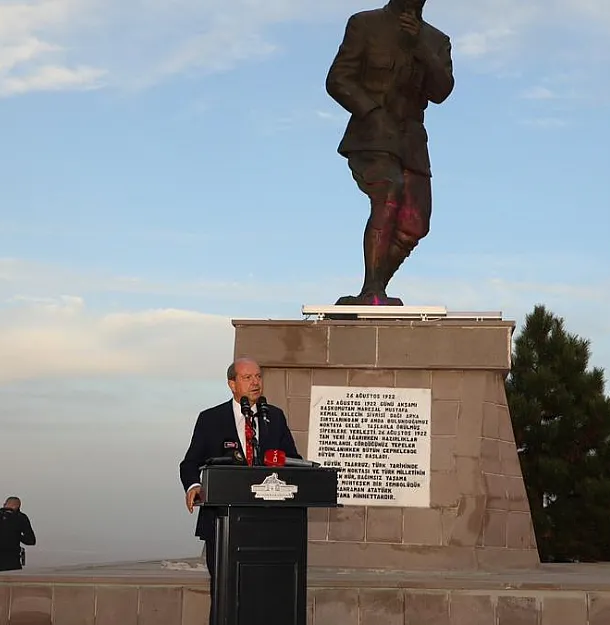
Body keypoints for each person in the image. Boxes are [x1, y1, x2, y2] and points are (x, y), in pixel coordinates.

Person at [325, 0, 454, 306]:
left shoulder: (437, 40)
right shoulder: (365, 24)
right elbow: (338, 78)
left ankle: (374, 289)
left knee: (414, 225)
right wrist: (372, 112)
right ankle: (372, 290)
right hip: (372, 133)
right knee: (389, 192)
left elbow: (441, 91)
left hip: (411, 141)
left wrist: (420, 46)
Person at [178, 358, 302, 620]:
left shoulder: (274, 417)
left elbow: (293, 460)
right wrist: (195, 485)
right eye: (248, 378)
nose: (255, 382)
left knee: (266, 597)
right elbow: (190, 463)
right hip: (224, 522)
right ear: (232, 384)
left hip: (269, 524)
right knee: (226, 594)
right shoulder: (211, 419)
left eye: (258, 376)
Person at [0, 496, 36, 573]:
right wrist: (16, 535)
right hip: (13, 563)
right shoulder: (20, 517)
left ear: (5, 504)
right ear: (17, 507)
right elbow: (31, 541)